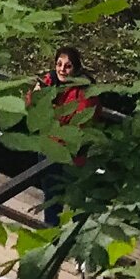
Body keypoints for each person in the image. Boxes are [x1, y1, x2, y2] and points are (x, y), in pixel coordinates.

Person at [30, 45, 96, 226]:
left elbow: (79, 122)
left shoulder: (84, 89)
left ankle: (74, 240)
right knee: (51, 198)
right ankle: (51, 238)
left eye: (67, 66)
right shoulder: (50, 80)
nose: (62, 69)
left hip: (72, 155)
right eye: (59, 64)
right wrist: (35, 96)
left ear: (76, 67)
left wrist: (49, 108)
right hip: (49, 148)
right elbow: (31, 106)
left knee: (76, 201)